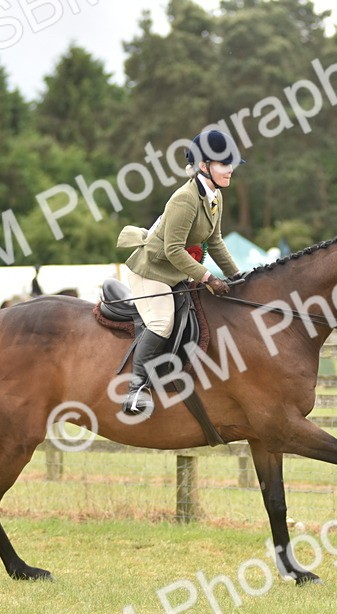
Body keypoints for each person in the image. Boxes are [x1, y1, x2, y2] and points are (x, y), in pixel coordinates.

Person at [115, 129, 244, 416]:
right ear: (203, 166)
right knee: (163, 322)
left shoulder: (214, 197)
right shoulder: (184, 199)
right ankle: (135, 390)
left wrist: (238, 277)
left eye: (230, 163)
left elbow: (216, 242)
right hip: (152, 271)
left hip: (176, 272)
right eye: (223, 163)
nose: (230, 169)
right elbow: (173, 250)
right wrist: (209, 277)